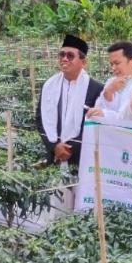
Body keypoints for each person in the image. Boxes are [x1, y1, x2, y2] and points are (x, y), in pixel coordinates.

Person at [36, 34, 104, 168]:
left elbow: (96, 126)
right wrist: (54, 147)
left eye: (70, 56)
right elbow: (40, 118)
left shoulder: (96, 89)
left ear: (83, 62)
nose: (64, 59)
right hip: (54, 156)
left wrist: (69, 149)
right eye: (62, 55)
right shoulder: (49, 86)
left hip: (82, 159)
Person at [87, 41, 132, 122]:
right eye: (111, 64)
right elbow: (98, 110)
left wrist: (105, 114)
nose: (113, 68)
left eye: (117, 63)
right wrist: (108, 92)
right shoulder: (111, 82)